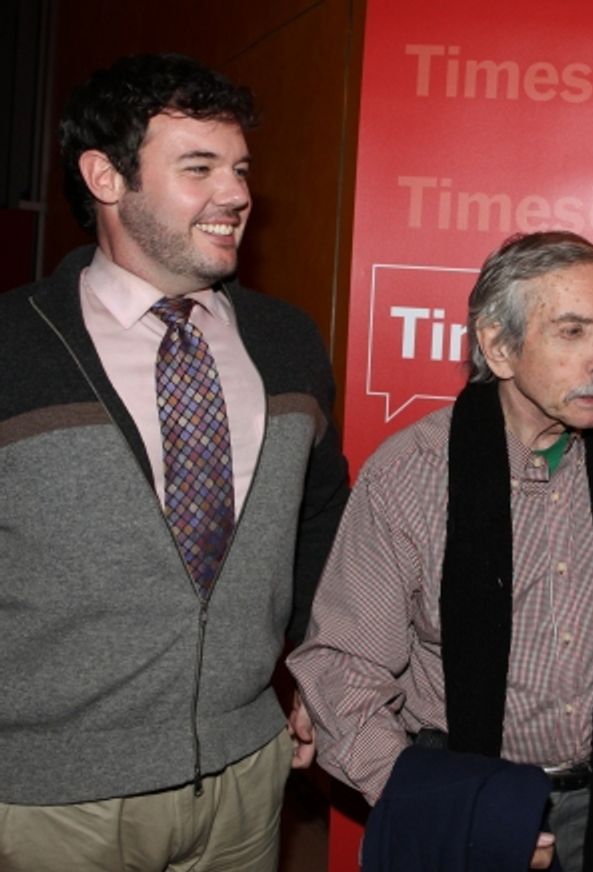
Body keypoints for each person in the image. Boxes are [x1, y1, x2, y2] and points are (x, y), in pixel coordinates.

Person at [288, 230, 593, 871]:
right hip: (469, 795)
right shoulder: (410, 474)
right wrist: (447, 806)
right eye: (573, 332)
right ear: (499, 347)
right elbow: (342, 673)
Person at [0, 53, 349, 871]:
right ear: (106, 176)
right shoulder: (12, 346)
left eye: (239, 168)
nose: (235, 194)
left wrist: (322, 670)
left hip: (243, 781)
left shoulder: (286, 340)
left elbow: (321, 519)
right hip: (47, 801)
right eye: (198, 168)